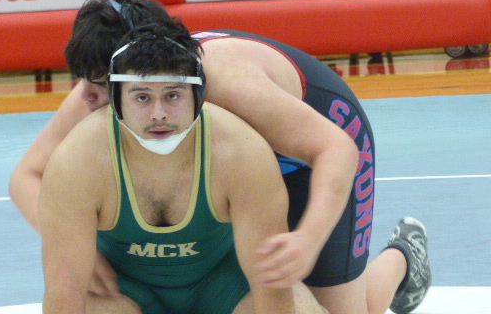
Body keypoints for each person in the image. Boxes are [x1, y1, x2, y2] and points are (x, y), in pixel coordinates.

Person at [10, 0, 431, 314]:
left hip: (319, 138)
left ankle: (401, 260)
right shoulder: (111, 90)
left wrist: (308, 238)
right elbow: (27, 176)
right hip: (246, 157)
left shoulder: (219, 81)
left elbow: (334, 148)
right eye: (84, 81)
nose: (85, 98)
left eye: (98, 84)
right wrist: (72, 247)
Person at [38, 24, 329, 314]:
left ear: (197, 96)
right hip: (122, 292)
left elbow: (270, 287)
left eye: (173, 95)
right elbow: (64, 294)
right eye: (142, 98)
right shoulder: (77, 160)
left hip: (226, 285)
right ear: (117, 101)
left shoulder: (241, 151)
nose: (159, 114)